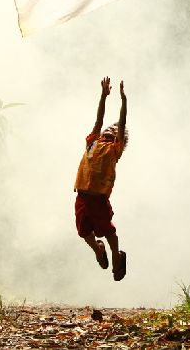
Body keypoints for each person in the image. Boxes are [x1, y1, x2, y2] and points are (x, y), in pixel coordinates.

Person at [73, 76, 128, 281]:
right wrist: (103, 96)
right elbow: (99, 119)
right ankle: (98, 249)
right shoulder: (92, 141)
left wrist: (123, 102)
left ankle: (116, 256)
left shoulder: (115, 149)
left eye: (114, 130)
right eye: (109, 128)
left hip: (98, 197)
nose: (110, 129)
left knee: (108, 231)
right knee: (83, 230)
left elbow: (122, 124)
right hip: (82, 195)